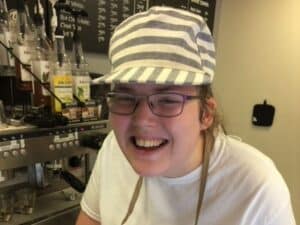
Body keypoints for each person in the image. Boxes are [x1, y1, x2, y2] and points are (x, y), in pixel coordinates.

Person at [76, 6, 296, 225]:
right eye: (125, 97)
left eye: (168, 100)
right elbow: (91, 219)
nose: (142, 121)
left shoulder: (257, 188)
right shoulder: (112, 149)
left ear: (206, 114)